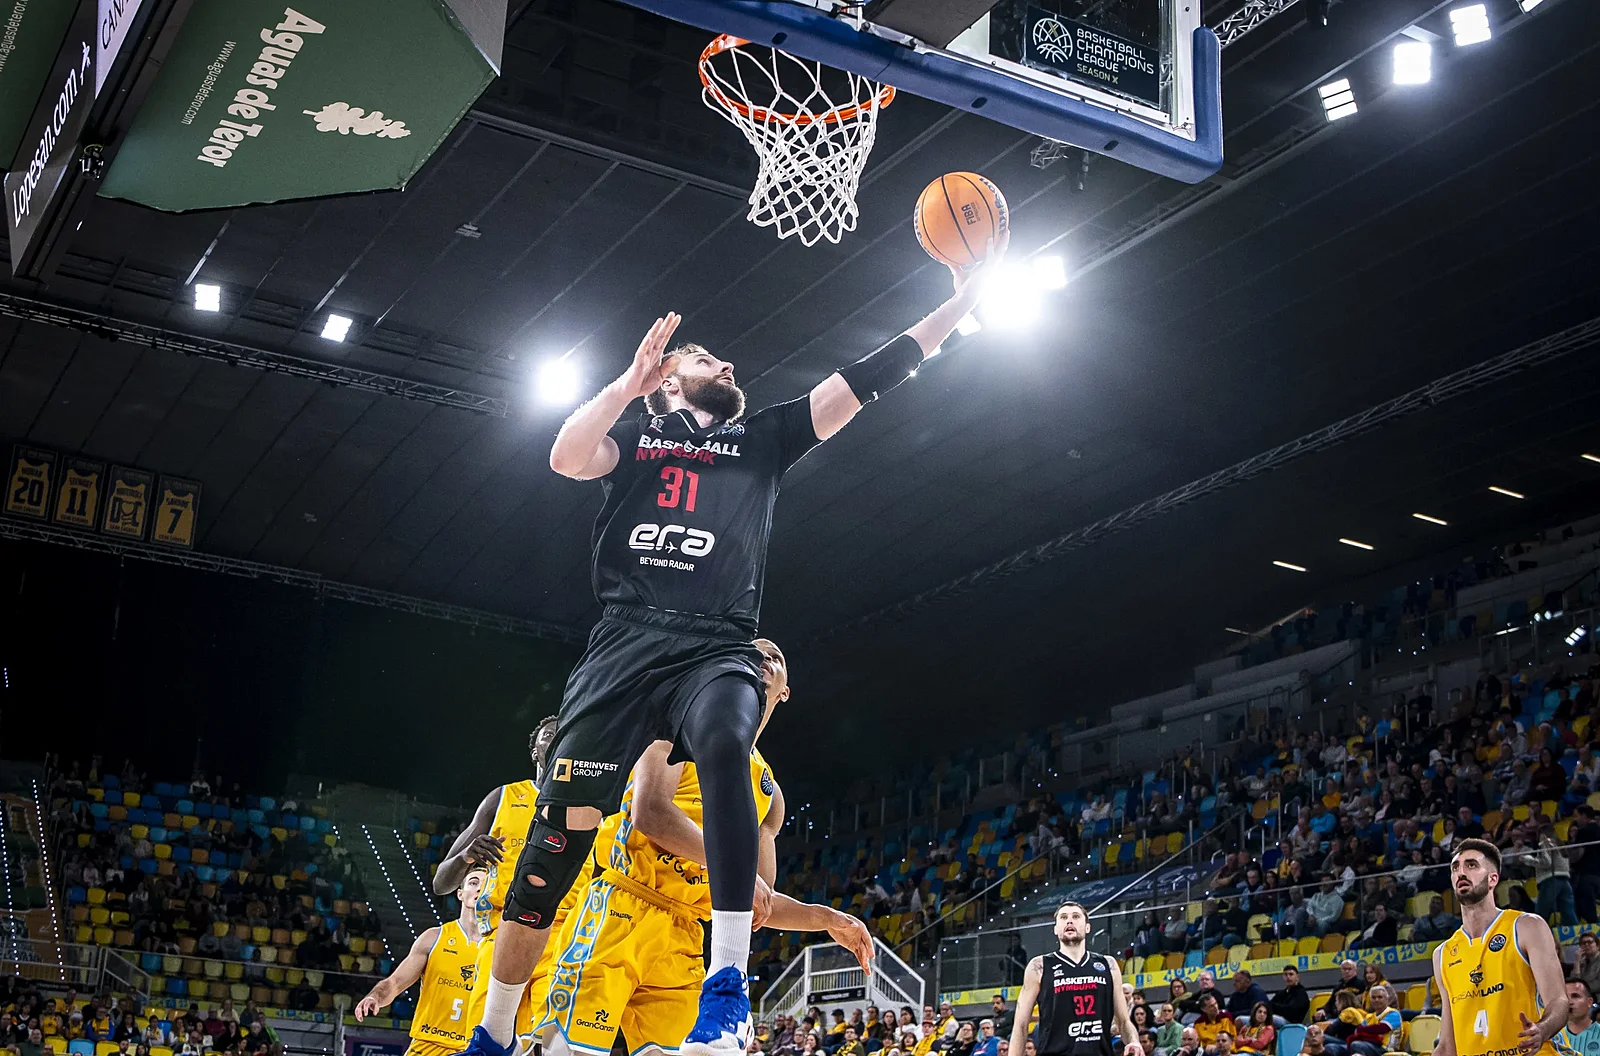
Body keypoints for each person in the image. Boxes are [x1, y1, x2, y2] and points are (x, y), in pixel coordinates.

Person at [467, 231, 1006, 1056]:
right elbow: (567, 456)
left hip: (717, 643)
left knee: (726, 748)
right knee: (556, 843)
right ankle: (496, 1032)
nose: (725, 364)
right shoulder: (636, 438)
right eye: (704, 359)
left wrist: (963, 302)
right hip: (624, 644)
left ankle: (726, 987)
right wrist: (624, 387)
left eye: (721, 358)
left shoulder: (767, 438)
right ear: (666, 384)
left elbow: (871, 374)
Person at [534, 641, 873, 1056]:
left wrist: (828, 918)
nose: (765, 659)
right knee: (567, 1050)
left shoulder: (769, 795)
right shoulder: (678, 725)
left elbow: (757, 902)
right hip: (622, 907)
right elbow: (650, 813)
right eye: (754, 652)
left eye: (776, 657)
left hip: (685, 936)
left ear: (785, 691)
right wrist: (734, 869)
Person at [433, 715, 571, 1038]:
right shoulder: (503, 798)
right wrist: (467, 856)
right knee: (488, 1041)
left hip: (561, 941)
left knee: (548, 1044)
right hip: (501, 934)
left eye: (565, 734)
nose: (557, 738)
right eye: (549, 734)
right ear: (535, 751)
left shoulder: (589, 807)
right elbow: (441, 883)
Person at [1431, 838, 1572, 1056]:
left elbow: (1559, 1001)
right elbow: (1447, 1046)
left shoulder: (1526, 926)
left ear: (1493, 879)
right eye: (1455, 867)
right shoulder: (1442, 954)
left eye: (1471, 865)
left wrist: (1542, 1030)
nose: (1461, 873)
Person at [354, 867, 489, 1055]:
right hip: (427, 1045)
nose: (479, 888)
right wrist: (375, 997)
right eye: (473, 883)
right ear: (460, 893)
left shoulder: (498, 948)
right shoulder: (434, 938)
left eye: (486, 884)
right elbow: (395, 982)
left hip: (471, 1049)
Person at [1008, 902, 1142, 1056]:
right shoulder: (1039, 966)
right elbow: (1021, 1024)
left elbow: (1123, 1021)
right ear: (1055, 929)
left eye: (1076, 916)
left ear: (1087, 927)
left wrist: (1133, 1041)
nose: (1069, 921)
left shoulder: (1108, 964)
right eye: (1063, 917)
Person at [1558, 979, 1600, 1056]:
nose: (1569, 1002)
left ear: (1589, 1002)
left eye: (1575, 996)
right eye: (1565, 997)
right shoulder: (1554, 1037)